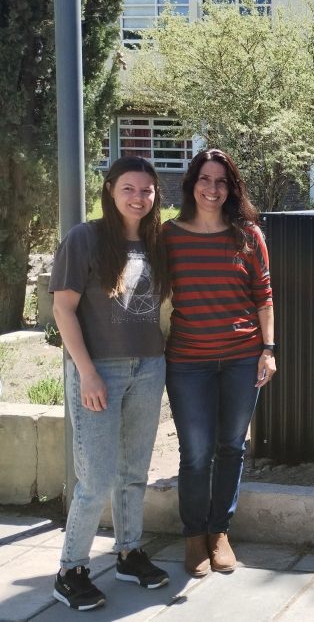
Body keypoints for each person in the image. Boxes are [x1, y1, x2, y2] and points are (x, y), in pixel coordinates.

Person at [50, 156, 171, 611]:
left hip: (148, 367)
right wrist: (87, 372)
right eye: (128, 189)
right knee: (96, 477)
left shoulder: (158, 242)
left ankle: (129, 552)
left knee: (134, 472)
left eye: (146, 190)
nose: (138, 197)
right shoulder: (85, 238)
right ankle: (70, 570)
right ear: (110, 190)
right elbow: (63, 310)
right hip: (99, 369)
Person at [163, 148, 276, 577]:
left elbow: (264, 296)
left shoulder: (247, 235)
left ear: (231, 188)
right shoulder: (168, 236)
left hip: (242, 358)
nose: (212, 189)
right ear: (192, 184)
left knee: (231, 446)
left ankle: (219, 532)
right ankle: (194, 537)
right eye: (205, 179)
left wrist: (269, 350)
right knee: (195, 453)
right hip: (187, 362)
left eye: (221, 181)